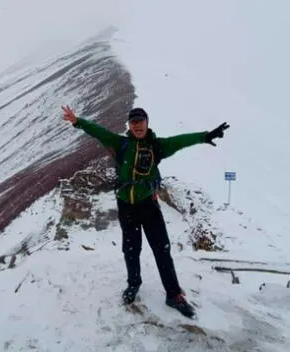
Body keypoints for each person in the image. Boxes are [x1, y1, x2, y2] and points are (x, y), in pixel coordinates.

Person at [61, 105, 229, 318]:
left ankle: (174, 295)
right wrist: (78, 121)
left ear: (147, 123)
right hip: (126, 205)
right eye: (134, 122)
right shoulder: (120, 143)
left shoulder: (156, 146)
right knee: (131, 249)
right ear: (129, 126)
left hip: (148, 205)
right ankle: (133, 285)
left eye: (141, 121)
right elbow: (98, 131)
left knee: (162, 249)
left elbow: (180, 141)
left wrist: (205, 136)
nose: (137, 125)